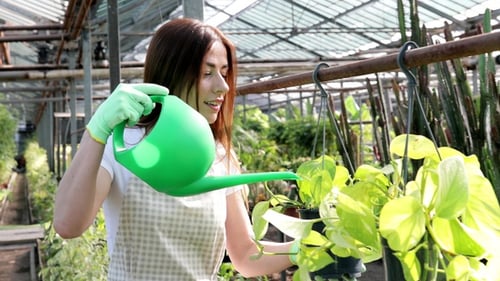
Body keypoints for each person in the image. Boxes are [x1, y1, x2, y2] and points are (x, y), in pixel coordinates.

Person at [53, 18, 295, 280]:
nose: (223, 86)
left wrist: (303, 248)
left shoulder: (219, 155)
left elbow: (246, 254)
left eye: (224, 73)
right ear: (171, 74)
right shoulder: (123, 146)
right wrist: (97, 130)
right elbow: (68, 225)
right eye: (207, 73)